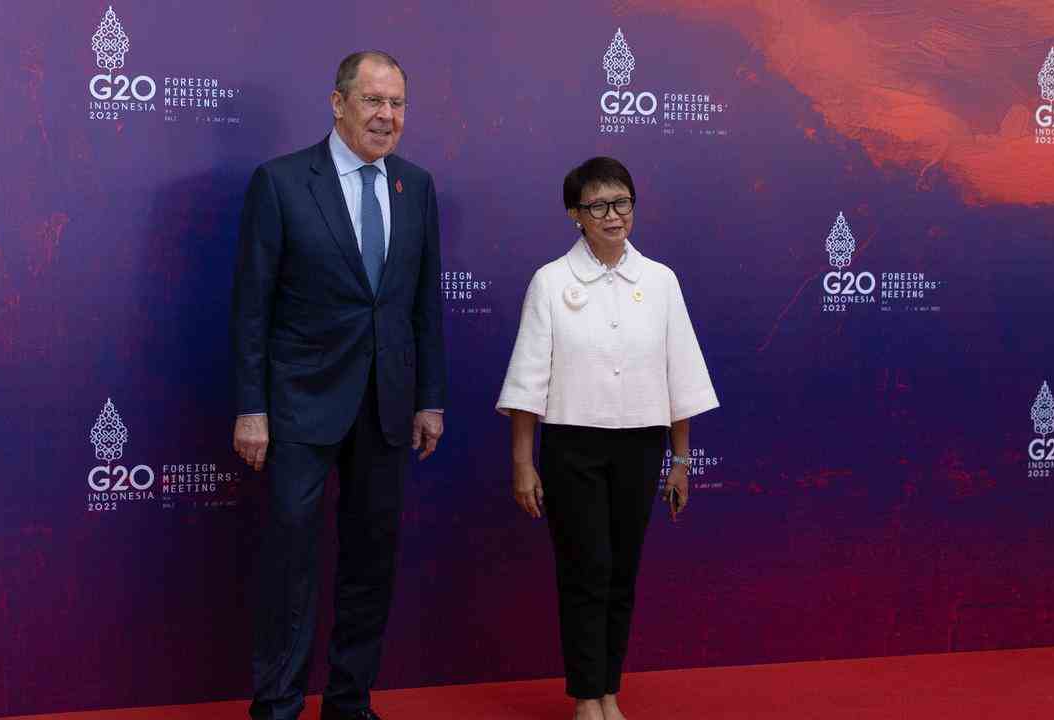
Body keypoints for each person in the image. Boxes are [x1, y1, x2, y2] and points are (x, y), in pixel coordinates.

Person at [231, 50, 445, 720]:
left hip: (386, 406)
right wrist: (251, 408)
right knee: (292, 562)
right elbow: (251, 308)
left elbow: (422, 304)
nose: (388, 117)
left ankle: (350, 702)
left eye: (399, 104)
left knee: (370, 561)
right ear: (337, 102)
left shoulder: (417, 185)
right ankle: (278, 706)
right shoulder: (283, 182)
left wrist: (428, 397)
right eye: (374, 101)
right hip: (299, 405)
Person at [496, 157, 718, 720]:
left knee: (623, 571)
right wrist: (524, 463)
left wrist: (681, 460)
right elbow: (527, 382)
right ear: (575, 214)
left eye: (622, 203)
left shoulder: (661, 280)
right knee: (584, 570)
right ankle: (584, 696)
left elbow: (681, 377)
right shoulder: (550, 281)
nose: (613, 215)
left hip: (641, 446)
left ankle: (609, 691)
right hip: (572, 447)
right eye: (597, 206)